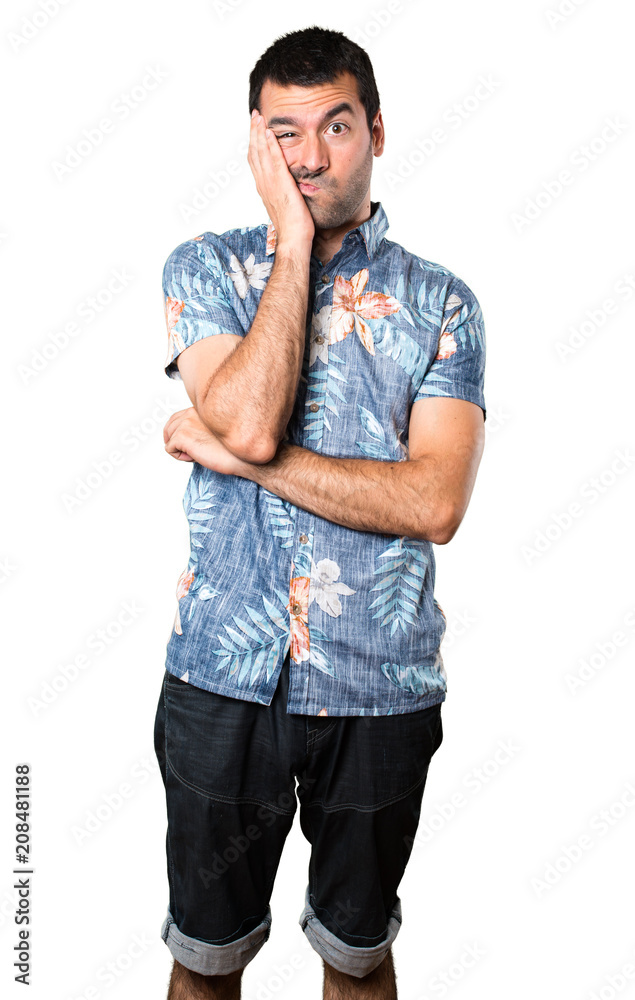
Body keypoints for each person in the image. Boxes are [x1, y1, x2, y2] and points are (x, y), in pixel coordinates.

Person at [154, 24, 486, 1000]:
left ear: (375, 131)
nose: (307, 156)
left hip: (380, 688)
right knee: (203, 960)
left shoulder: (441, 303)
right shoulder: (204, 270)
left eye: (334, 127)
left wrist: (233, 453)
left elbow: (434, 501)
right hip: (220, 679)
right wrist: (293, 244)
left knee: (357, 955)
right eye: (282, 133)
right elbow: (252, 418)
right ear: (255, 144)